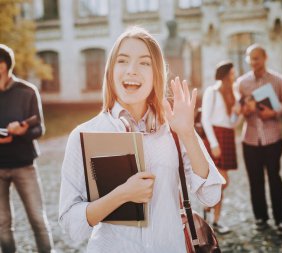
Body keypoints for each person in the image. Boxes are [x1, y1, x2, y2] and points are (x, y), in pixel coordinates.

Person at [58, 26, 224, 253]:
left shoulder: (175, 129)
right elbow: (71, 226)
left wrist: (187, 134)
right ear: (110, 71)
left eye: (144, 62)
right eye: (123, 61)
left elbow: (211, 196)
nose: (132, 70)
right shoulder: (83, 135)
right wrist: (122, 195)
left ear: (156, 73)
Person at [0, 44, 54, 253]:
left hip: (24, 165)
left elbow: (39, 128)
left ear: (2, 66)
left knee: (37, 219)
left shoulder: (27, 91)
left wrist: (23, 132)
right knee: (2, 224)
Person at [236, 44, 282, 235]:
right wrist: (245, 110)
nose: (253, 62)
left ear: (265, 57)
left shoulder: (278, 81)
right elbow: (238, 111)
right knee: (255, 180)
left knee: (275, 178)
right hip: (250, 139)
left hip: (273, 138)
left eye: (257, 58)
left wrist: (273, 112)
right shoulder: (242, 83)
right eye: (250, 58)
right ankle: (260, 217)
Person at [201, 61, 238, 234]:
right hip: (215, 137)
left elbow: (232, 124)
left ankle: (214, 219)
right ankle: (208, 209)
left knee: (221, 181)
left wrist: (238, 113)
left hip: (227, 136)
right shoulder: (212, 92)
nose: (234, 76)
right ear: (224, 75)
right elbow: (205, 119)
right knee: (221, 181)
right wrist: (214, 144)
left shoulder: (232, 94)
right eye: (231, 73)